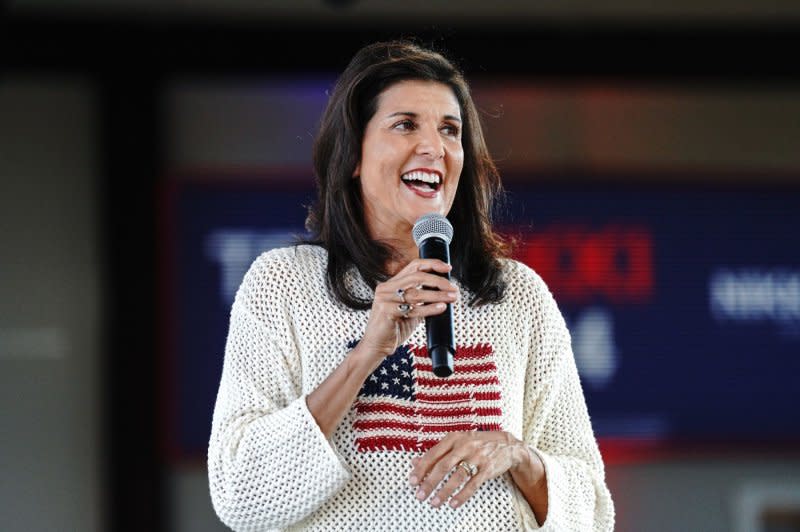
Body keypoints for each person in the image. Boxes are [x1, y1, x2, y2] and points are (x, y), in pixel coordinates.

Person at [207, 39, 615, 531]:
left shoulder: (518, 295)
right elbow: (240, 496)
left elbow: (593, 515)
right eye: (405, 125)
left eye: (450, 130)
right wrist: (364, 357)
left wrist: (519, 456)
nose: (433, 147)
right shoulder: (283, 286)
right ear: (354, 153)